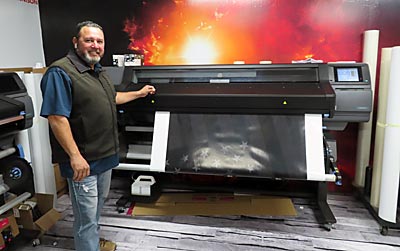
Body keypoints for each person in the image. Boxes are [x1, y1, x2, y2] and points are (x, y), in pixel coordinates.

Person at [40, 21, 155, 251]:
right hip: (84, 163)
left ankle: (91, 243)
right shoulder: (60, 72)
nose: (95, 45)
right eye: (89, 40)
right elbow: (56, 118)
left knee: (95, 209)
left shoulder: (98, 72)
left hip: (105, 158)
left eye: (99, 41)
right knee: (86, 219)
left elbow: (111, 99)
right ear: (76, 42)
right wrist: (74, 156)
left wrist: (139, 93)